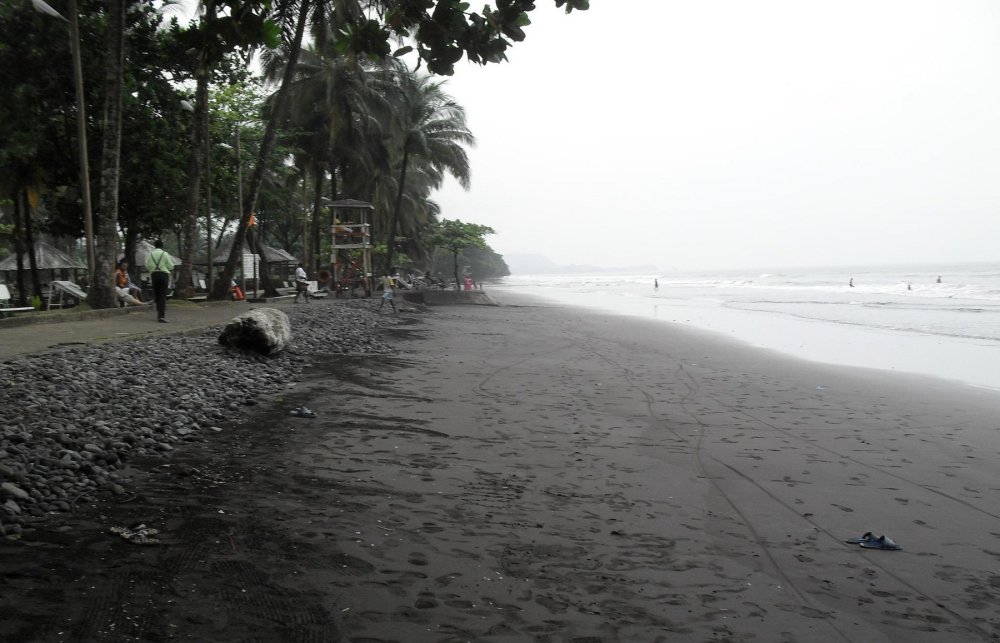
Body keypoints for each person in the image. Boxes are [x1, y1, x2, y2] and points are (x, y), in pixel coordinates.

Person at [145, 239, 173, 323]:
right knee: (162, 295)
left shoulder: (150, 255)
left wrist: (153, 269)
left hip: (154, 275)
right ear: (162, 246)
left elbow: (147, 266)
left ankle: (158, 312)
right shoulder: (165, 254)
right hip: (163, 275)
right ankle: (161, 316)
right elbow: (171, 266)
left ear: (155, 246)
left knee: (156, 294)